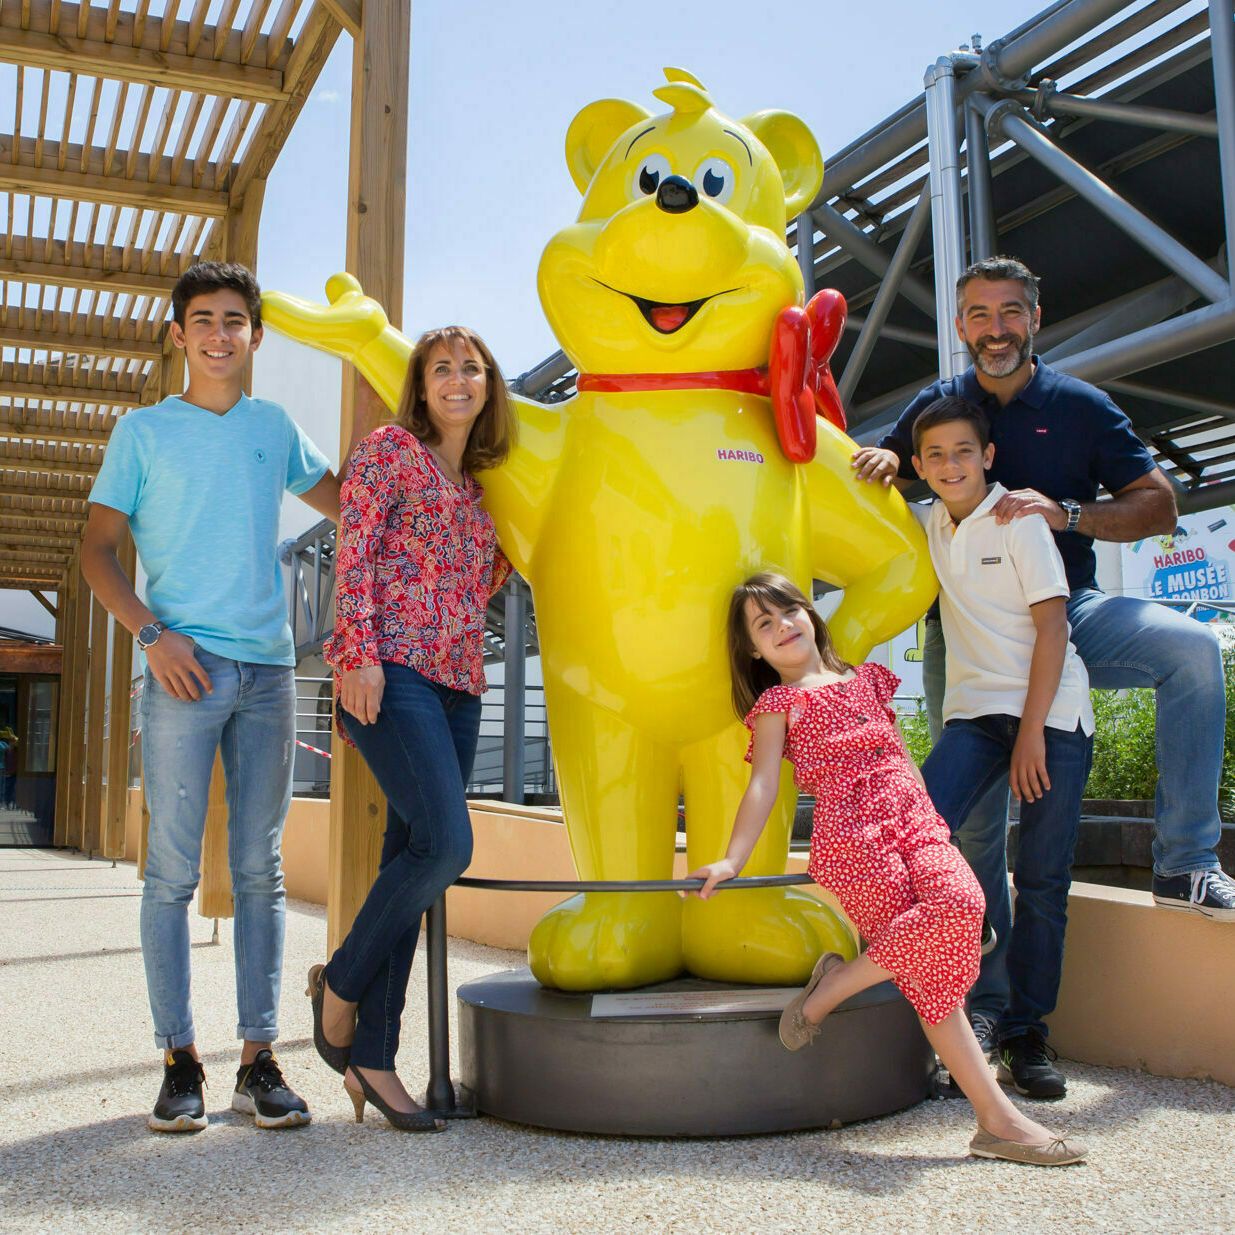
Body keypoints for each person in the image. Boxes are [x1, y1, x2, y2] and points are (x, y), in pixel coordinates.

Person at [852, 254, 1235, 1068]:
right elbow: (886, 472)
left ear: (1035, 316)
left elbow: (1158, 503)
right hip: (968, 641)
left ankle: (1185, 863)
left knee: (1194, 651)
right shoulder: (935, 406)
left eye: (1009, 312)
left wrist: (1069, 513)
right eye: (978, 315)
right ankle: (987, 1009)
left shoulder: (1080, 406)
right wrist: (881, 462)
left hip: (1070, 614)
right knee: (974, 839)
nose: (994, 329)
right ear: (958, 327)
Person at [689, 572, 1086, 1167]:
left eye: (787, 611)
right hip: (855, 839)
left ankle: (832, 988)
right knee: (936, 984)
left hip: (916, 821)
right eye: (763, 625)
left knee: (964, 902)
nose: (782, 627)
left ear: (810, 613)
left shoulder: (866, 677)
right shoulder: (779, 703)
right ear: (753, 650)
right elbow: (764, 785)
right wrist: (733, 856)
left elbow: (899, 755)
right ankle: (998, 1123)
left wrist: (929, 821)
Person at [83, 261, 343, 1133]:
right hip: (181, 674)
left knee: (261, 870)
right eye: (203, 319)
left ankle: (258, 1061)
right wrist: (153, 637)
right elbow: (97, 551)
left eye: (236, 320)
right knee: (170, 874)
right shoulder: (142, 432)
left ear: (256, 335)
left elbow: (349, 504)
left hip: (269, 673)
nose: (220, 333)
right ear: (179, 333)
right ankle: (178, 1061)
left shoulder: (273, 427)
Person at [306, 326, 515, 1132]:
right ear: (420, 385)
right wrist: (354, 654)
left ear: (488, 386)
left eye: (472, 368)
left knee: (413, 853)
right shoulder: (390, 449)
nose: (458, 379)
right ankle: (342, 983)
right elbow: (353, 548)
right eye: (442, 368)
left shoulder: (479, 496)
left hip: (460, 683)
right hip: (390, 671)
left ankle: (374, 1055)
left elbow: (483, 578)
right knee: (446, 845)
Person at [912, 397, 1093, 1099]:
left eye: (963, 451)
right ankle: (964, 1015)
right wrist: (872, 459)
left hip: (1048, 713)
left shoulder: (1019, 522)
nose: (949, 465)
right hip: (975, 714)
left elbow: (1053, 630)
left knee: (1042, 876)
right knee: (923, 834)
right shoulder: (929, 520)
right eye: (934, 455)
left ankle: (1024, 1031)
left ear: (987, 456)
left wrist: (1029, 737)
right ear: (920, 466)